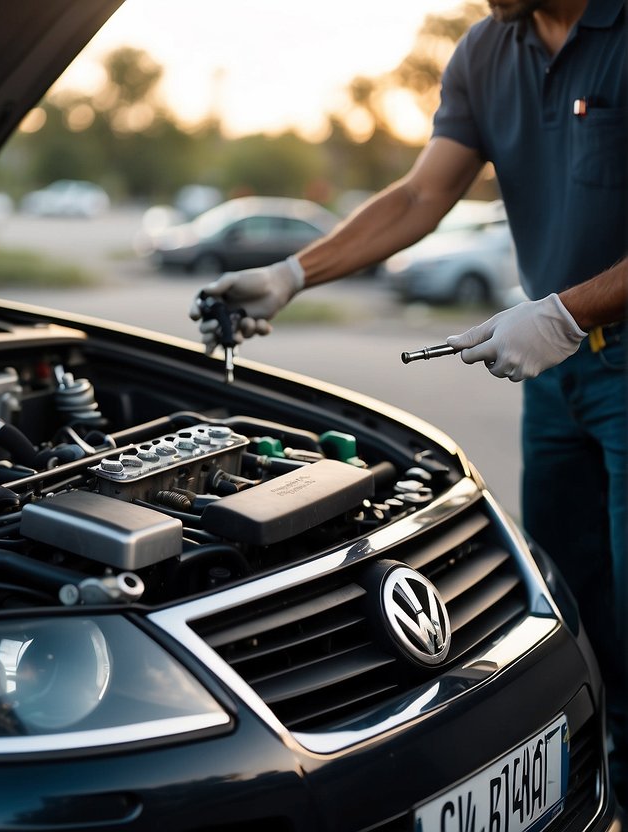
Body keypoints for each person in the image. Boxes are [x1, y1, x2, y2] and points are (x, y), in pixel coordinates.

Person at [192, 0, 627, 795]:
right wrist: (291, 275)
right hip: (554, 378)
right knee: (576, 615)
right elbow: (421, 196)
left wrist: (569, 310)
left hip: (599, 348)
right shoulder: (485, 52)